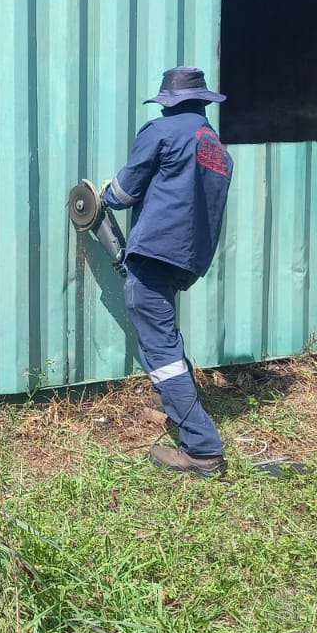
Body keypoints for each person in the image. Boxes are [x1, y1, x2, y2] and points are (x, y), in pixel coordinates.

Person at [102, 67, 234, 477]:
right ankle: (170, 401)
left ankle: (202, 450)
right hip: (188, 259)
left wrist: (103, 193)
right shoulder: (217, 148)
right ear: (202, 101)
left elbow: (123, 192)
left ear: (168, 103)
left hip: (154, 252)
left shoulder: (161, 131)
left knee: (160, 349)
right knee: (164, 338)